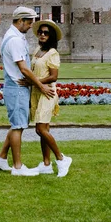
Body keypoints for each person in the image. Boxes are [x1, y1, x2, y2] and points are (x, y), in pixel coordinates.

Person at [0, 6, 56, 176]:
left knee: (16, 125)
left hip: (14, 87)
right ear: (20, 21)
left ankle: (1, 157)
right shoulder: (15, 40)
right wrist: (41, 86)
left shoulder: (11, 36)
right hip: (17, 87)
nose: (30, 27)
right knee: (18, 127)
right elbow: (24, 69)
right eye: (29, 23)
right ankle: (18, 167)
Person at [27, 19, 72, 177]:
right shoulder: (37, 50)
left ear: (51, 36)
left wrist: (34, 81)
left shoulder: (52, 53)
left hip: (47, 92)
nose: (42, 34)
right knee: (42, 130)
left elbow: (53, 76)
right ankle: (46, 164)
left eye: (46, 33)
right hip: (37, 91)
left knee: (40, 128)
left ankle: (61, 159)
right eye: (40, 32)